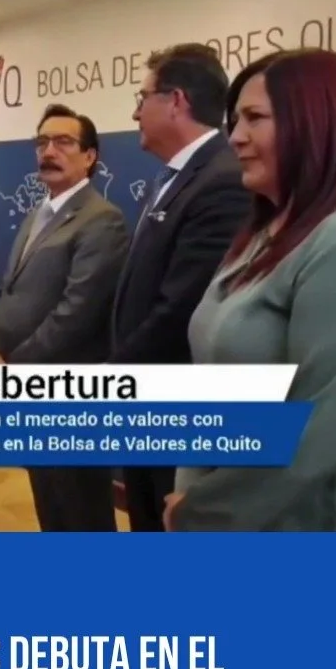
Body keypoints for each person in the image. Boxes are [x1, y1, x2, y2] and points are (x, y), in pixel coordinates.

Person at [166, 48, 336, 532]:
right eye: (235, 120)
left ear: (313, 125)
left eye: (255, 118)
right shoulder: (261, 238)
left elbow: (320, 426)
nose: (236, 136)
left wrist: (204, 509)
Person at [110, 43, 251, 532]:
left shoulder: (223, 180)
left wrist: (113, 376)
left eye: (142, 97)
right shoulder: (172, 178)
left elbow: (181, 308)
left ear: (175, 101)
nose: (135, 112)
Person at [0, 105, 128, 532]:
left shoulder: (103, 220)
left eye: (63, 142)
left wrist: (14, 366)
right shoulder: (38, 213)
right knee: (49, 503)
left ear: (90, 156)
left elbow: (76, 311)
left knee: (81, 510)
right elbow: (9, 291)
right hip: (27, 385)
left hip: (67, 391)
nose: (49, 151)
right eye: (42, 142)